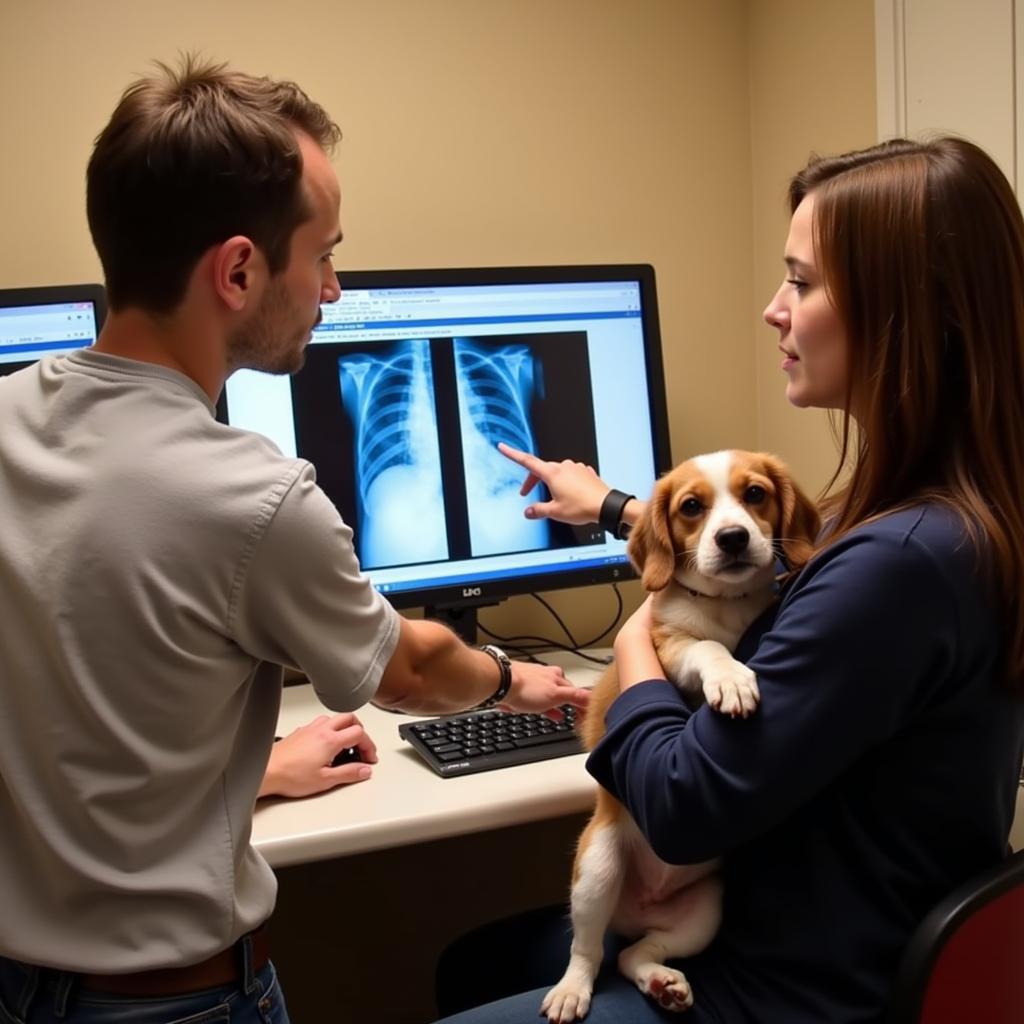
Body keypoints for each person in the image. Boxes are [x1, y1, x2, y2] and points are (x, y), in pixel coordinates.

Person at [0, 56, 589, 1024]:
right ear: (237, 270)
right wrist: (515, 679)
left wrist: (252, 771)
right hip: (176, 1003)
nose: (334, 286)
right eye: (321, 255)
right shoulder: (256, 498)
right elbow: (406, 673)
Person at [433, 136, 1024, 1023]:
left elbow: (679, 807)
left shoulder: (897, 567)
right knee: (475, 963)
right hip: (854, 932)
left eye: (803, 281)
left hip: (790, 984)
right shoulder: (951, 523)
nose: (772, 310)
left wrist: (638, 638)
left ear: (909, 309)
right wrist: (615, 506)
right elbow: (767, 557)